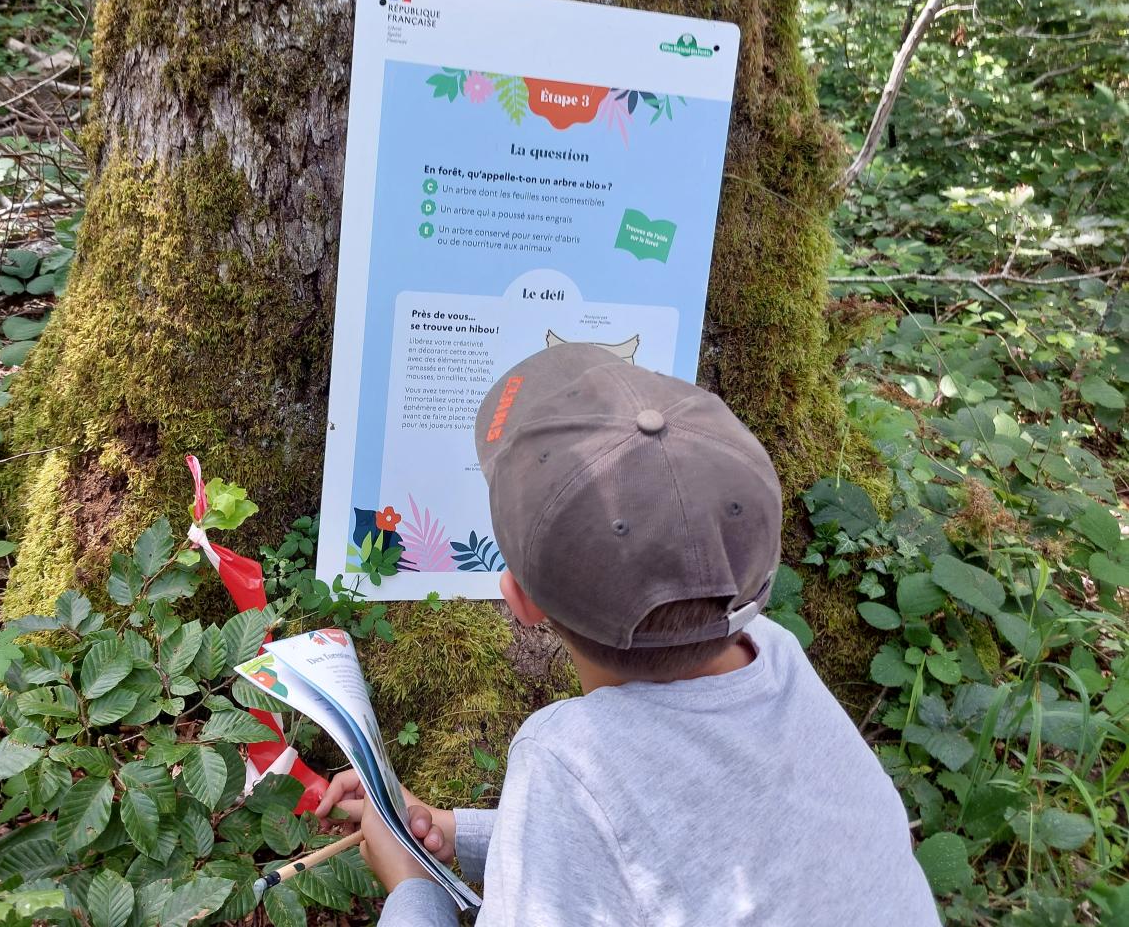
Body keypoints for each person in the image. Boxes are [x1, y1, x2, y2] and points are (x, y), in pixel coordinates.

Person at [314, 343, 939, 926]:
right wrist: (457, 834)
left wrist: (412, 892)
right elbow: (669, 845)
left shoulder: (570, 758)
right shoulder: (777, 659)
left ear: (520, 600)